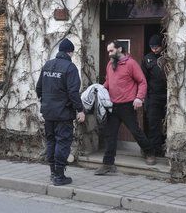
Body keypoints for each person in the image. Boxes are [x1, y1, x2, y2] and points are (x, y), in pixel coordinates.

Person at [95, 40, 155, 175]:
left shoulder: (131, 64)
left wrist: (139, 98)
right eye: (108, 51)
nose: (109, 54)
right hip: (112, 106)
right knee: (110, 135)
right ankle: (108, 164)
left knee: (135, 132)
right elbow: (109, 82)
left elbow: (142, 81)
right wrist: (100, 90)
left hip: (127, 105)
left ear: (120, 49)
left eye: (111, 51)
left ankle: (150, 152)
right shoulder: (110, 64)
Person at [36, 38, 85, 186]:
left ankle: (53, 172)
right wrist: (80, 109)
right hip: (63, 113)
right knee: (63, 142)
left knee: (51, 141)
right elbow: (73, 92)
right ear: (70, 52)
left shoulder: (47, 65)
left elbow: (39, 88)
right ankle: (59, 176)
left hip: (48, 112)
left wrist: (46, 102)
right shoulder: (70, 68)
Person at [142, 34, 167, 157]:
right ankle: (154, 151)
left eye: (157, 47)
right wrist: (144, 98)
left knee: (167, 124)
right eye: (152, 47)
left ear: (161, 46)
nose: (155, 49)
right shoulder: (147, 59)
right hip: (153, 96)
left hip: (167, 95)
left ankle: (165, 147)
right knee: (153, 123)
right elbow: (143, 79)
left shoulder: (167, 57)